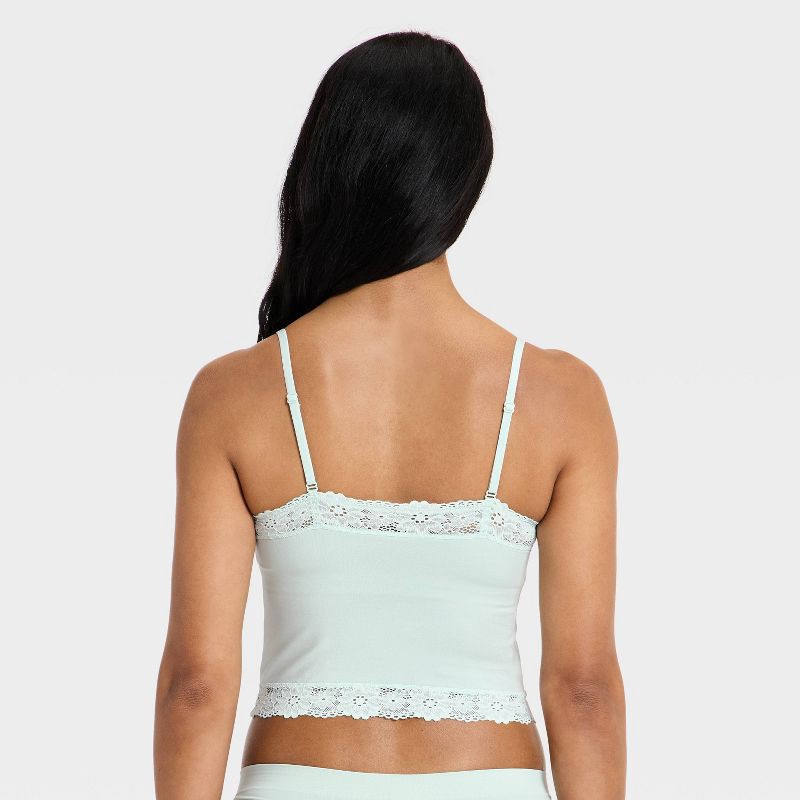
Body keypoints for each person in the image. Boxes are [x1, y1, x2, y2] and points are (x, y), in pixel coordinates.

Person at [154, 31, 626, 800]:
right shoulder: (561, 398)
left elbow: (196, 686)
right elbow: (584, 690)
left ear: (324, 166)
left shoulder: (233, 394)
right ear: (463, 181)